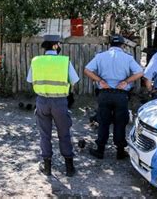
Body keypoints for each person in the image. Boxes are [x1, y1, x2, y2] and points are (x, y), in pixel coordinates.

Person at [27, 34, 79, 177]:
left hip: (42, 101)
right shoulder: (64, 61)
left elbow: (30, 80)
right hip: (60, 102)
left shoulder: (36, 61)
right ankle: (69, 168)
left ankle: (47, 167)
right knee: (64, 134)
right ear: (56, 45)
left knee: (45, 134)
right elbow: (74, 80)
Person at [84, 35, 143, 159]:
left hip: (104, 94)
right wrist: (126, 82)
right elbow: (139, 72)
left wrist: (100, 81)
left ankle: (100, 150)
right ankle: (120, 151)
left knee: (103, 122)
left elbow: (87, 70)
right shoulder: (128, 58)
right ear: (123, 45)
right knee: (120, 123)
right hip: (121, 95)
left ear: (109, 45)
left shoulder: (100, 56)